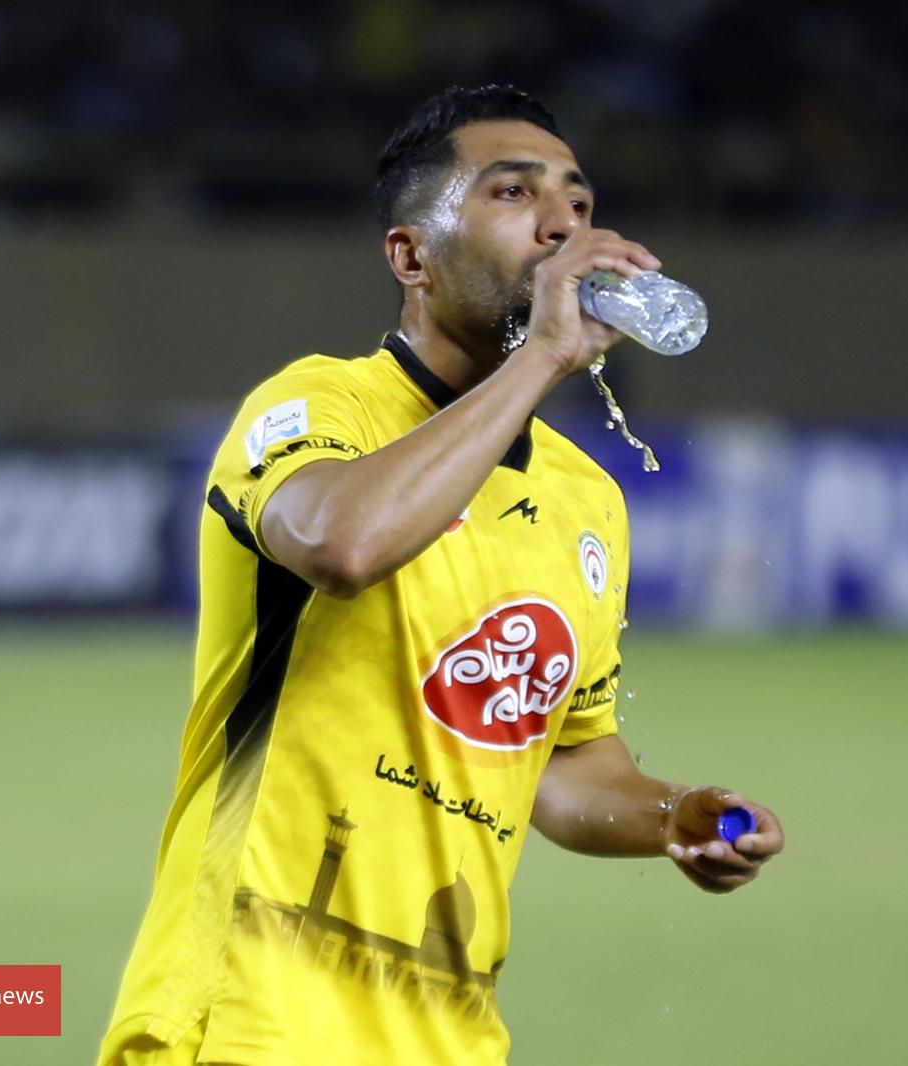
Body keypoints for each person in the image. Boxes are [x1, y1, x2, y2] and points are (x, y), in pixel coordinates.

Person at [98, 84, 785, 1066]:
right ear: (410, 257)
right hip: (250, 1019)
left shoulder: (585, 499)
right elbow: (342, 546)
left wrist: (674, 815)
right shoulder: (318, 405)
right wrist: (541, 358)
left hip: (448, 1037)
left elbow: (562, 766)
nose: (562, 225)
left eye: (579, 202)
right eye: (513, 193)